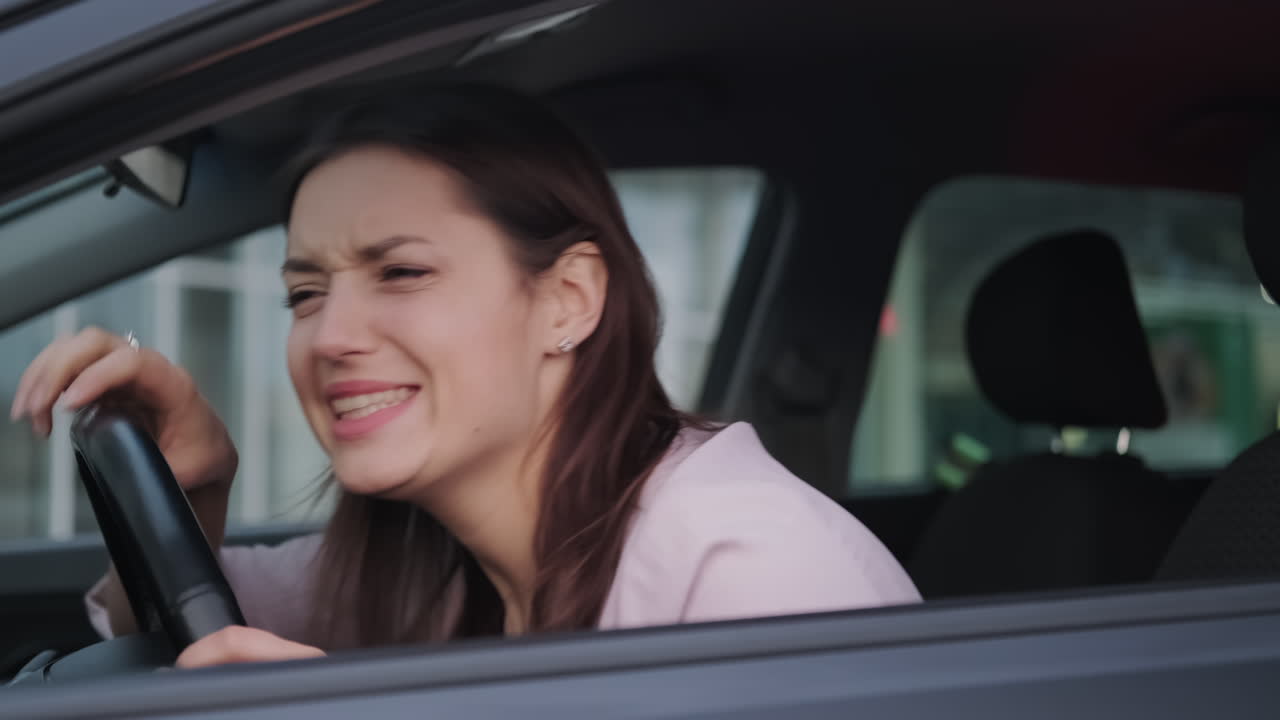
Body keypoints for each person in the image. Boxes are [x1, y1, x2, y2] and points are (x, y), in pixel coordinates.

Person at [11, 87, 919, 668]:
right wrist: (194, 493)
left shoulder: (757, 576)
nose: (332, 337)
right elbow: (161, 640)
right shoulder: (424, 556)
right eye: (304, 294)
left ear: (567, 300)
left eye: (402, 272)